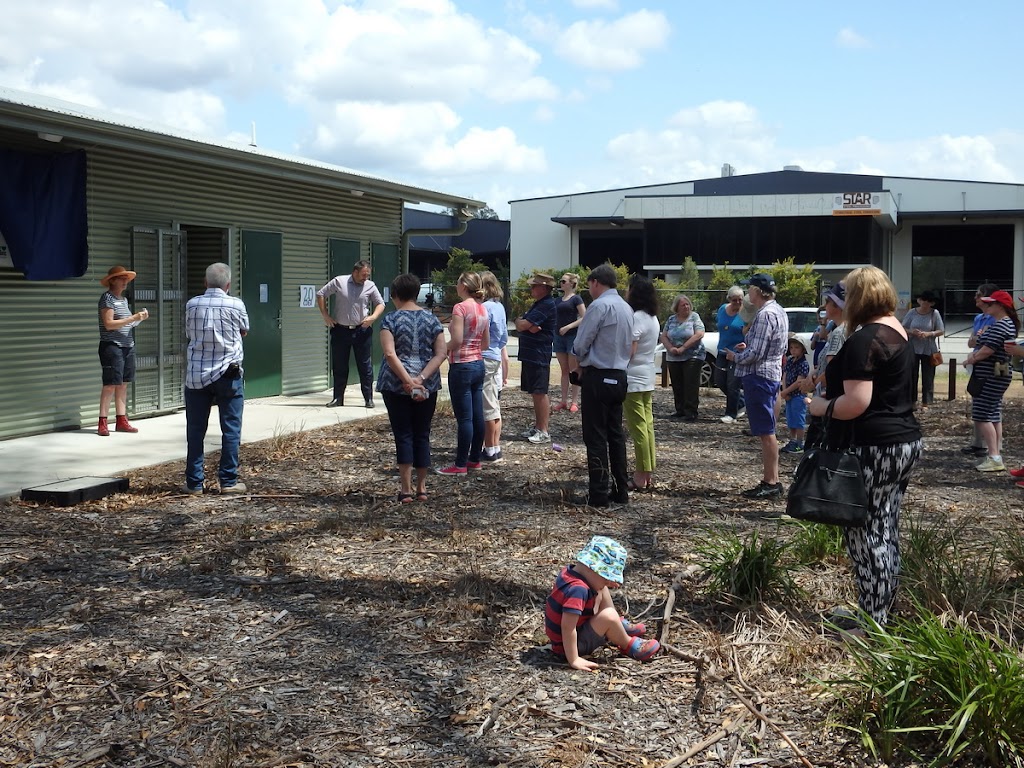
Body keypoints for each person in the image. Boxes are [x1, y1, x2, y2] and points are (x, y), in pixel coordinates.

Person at [808, 266, 922, 629]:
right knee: (884, 528)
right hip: (902, 441)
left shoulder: (865, 337)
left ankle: (871, 625)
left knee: (864, 534)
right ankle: (879, 612)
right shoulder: (897, 330)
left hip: (873, 447)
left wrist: (820, 407)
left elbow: (856, 402)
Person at [377, 273, 447, 501]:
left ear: (395, 295)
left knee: (403, 433)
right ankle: (422, 488)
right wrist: (422, 378)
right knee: (422, 433)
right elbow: (441, 353)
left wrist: (407, 380)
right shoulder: (432, 319)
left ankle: (405, 489)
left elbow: (389, 353)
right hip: (428, 384)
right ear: (416, 293)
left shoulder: (390, 320)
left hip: (395, 384)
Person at [544, 536, 661, 670]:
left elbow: (597, 585)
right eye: (606, 578)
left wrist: (604, 583)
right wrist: (574, 659)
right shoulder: (578, 590)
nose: (610, 583)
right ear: (592, 568)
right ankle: (627, 644)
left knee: (601, 588)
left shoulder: (570, 572)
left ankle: (616, 625)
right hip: (568, 646)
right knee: (608, 615)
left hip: (573, 634)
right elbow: (567, 627)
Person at [184, 263, 250, 494]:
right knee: (230, 429)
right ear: (228, 285)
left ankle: (194, 483)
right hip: (228, 374)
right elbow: (244, 330)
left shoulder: (192, 305)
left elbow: (189, 333)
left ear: (205, 282)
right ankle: (228, 481)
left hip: (196, 376)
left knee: (195, 429)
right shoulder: (236, 304)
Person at [572, 265, 633, 508]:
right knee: (616, 435)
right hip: (619, 374)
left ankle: (598, 494)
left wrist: (580, 356)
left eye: (589, 285)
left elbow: (581, 342)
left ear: (596, 282)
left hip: (598, 375)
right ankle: (620, 490)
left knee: (595, 436)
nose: (590, 290)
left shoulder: (599, 306)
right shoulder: (627, 307)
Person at [727, 273, 789, 499]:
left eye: (749, 289)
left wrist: (736, 357)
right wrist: (749, 346)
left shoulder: (764, 315)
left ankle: (771, 481)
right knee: (767, 429)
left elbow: (757, 354)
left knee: (766, 431)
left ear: (758, 291)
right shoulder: (779, 311)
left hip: (760, 376)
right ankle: (771, 479)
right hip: (770, 375)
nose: (746, 294)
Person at [437, 272, 490, 476]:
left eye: (458, 281)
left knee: (464, 418)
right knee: (478, 415)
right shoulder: (482, 308)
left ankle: (459, 464)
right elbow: (486, 342)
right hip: (478, 363)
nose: (456, 285)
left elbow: (457, 339)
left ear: (464, 286)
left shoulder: (460, 308)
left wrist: (442, 349)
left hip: (461, 364)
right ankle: (474, 459)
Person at [317, 260, 385, 409]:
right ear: (355, 272)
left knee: (365, 365)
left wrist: (373, 317)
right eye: (363, 275)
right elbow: (321, 293)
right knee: (340, 365)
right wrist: (325, 315)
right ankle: (338, 398)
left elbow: (381, 303)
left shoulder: (370, 285)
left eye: (367, 275)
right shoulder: (339, 281)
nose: (365, 278)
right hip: (340, 329)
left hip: (361, 330)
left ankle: (368, 398)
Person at [964, 290, 1019, 473]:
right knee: (993, 413)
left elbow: (987, 350)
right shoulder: (1001, 324)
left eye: (991, 303)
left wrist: (972, 359)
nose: (987, 306)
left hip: (991, 375)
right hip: (994, 374)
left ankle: (994, 457)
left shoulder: (1001, 325)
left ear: (1001, 306)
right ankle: (994, 453)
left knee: (983, 415)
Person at [96, 265, 148, 436]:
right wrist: (132, 317)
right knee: (110, 384)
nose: (125, 281)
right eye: (121, 278)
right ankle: (102, 422)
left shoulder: (123, 300)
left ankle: (121, 420)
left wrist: (138, 319)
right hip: (112, 346)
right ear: (112, 281)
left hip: (128, 346)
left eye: (126, 278)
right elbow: (109, 324)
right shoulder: (107, 299)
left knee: (123, 384)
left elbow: (127, 323)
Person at [799, 281, 848, 448]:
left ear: (838, 306)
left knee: (816, 449)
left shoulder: (840, 332)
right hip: (834, 401)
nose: (825, 306)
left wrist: (811, 384)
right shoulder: (840, 329)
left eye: (828, 302)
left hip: (828, 400)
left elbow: (833, 371)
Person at [624, 276, 660, 492]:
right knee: (647, 426)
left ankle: (640, 475)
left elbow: (630, 349)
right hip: (646, 375)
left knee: (638, 428)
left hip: (634, 378)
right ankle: (647, 472)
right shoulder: (652, 317)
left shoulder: (637, 317)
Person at [515, 273, 558, 444]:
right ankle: (538, 426)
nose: (531, 288)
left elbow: (523, 324)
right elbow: (521, 323)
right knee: (535, 392)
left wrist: (524, 323)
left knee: (540, 392)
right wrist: (524, 323)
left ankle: (544, 430)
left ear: (544, 288)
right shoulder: (539, 304)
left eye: (535, 286)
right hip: (531, 355)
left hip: (539, 355)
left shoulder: (547, 304)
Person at [962, 282, 1000, 457]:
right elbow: (972, 342)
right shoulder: (979, 319)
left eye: (979, 295)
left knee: (989, 409)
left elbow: (988, 344)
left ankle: (993, 449)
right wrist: (979, 341)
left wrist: (978, 344)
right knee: (977, 404)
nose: (975, 298)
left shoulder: (997, 319)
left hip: (989, 366)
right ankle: (978, 443)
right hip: (977, 364)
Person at [479, 271, 509, 463]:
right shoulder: (499, 307)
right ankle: (495, 446)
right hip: (496, 355)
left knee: (487, 406)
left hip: (485, 356)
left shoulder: (484, 308)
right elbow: (504, 336)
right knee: (494, 403)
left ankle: (489, 448)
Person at [661, 294, 705, 421]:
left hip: (693, 355)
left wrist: (683, 347)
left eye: (687, 304)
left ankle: (691, 411)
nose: (686, 307)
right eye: (683, 305)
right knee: (677, 384)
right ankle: (679, 410)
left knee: (690, 384)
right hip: (674, 356)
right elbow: (663, 336)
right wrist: (670, 348)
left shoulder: (694, 317)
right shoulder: (671, 320)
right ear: (677, 308)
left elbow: (699, 334)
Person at [901, 289, 944, 407]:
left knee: (928, 377)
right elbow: (902, 327)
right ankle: (912, 401)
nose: (925, 304)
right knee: (912, 375)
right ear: (919, 300)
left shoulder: (934, 313)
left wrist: (929, 334)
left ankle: (927, 402)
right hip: (913, 348)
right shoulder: (912, 312)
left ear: (932, 303)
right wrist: (912, 332)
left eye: (929, 302)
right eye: (923, 300)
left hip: (929, 349)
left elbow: (941, 330)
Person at [552, 273, 586, 413]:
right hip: (558, 337)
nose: (561, 283)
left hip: (572, 336)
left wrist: (569, 327)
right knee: (564, 370)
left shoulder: (576, 299)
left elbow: (585, 317)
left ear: (572, 284)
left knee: (574, 369)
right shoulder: (557, 300)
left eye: (564, 281)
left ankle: (574, 401)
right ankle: (564, 400)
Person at [716, 286, 746, 423]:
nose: (738, 303)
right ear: (729, 299)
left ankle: (731, 414)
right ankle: (741, 402)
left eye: (740, 300)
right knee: (720, 381)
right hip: (722, 351)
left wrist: (745, 345)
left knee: (733, 384)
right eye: (735, 300)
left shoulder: (745, 313)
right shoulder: (722, 309)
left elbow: (749, 332)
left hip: (737, 353)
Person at [778, 335, 810, 454]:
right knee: (790, 419)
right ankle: (792, 440)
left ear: (802, 349)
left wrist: (785, 392)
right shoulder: (790, 360)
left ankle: (800, 443)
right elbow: (785, 375)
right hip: (789, 395)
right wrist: (784, 390)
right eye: (791, 347)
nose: (793, 350)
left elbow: (799, 381)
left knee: (799, 419)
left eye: (797, 347)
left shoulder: (803, 364)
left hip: (798, 395)